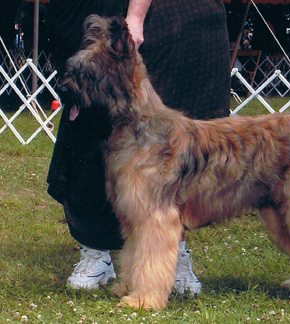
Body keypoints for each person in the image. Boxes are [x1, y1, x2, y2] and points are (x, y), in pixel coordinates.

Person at [46, 0, 230, 294]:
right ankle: (100, 252)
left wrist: (135, 15)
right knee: (88, 132)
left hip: (168, 17)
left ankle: (171, 261)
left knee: (169, 155)